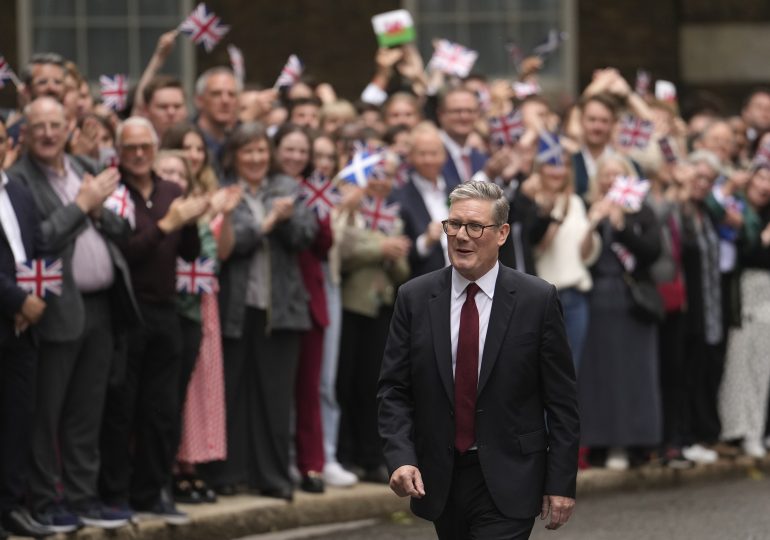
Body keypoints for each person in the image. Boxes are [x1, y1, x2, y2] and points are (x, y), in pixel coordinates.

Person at [378, 180, 578, 539]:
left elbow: (561, 401)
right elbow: (394, 388)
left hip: (511, 475)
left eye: (474, 227)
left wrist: (561, 481)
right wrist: (401, 457)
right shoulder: (415, 297)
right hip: (442, 477)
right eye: (453, 225)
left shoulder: (537, 299)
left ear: (501, 234)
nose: (461, 236)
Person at [9, 97, 139, 532]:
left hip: (102, 306)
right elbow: (37, 239)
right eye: (38, 126)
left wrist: (98, 209)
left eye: (55, 124)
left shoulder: (86, 167)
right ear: (24, 132)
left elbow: (123, 230)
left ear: (69, 128)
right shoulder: (18, 181)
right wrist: (80, 207)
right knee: (48, 412)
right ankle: (47, 499)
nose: (47, 133)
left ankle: (84, 496)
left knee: (88, 410)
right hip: (56, 308)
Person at [99, 117, 206, 525]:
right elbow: (123, 253)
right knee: (121, 408)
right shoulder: (113, 192)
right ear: (120, 151)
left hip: (166, 312)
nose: (140, 154)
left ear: (156, 147)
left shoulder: (171, 190)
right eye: (131, 148)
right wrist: (167, 225)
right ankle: (114, 493)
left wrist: (192, 219)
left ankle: (152, 491)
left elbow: (191, 253)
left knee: (162, 411)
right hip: (127, 313)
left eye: (146, 146)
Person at [201, 122, 316, 501]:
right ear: (233, 156)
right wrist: (269, 222)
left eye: (261, 151)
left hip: (280, 309)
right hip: (233, 306)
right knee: (231, 391)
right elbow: (229, 247)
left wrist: (284, 222)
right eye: (247, 151)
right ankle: (226, 474)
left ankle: (273, 476)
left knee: (275, 396)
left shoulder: (287, 187)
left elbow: (305, 235)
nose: (255, 158)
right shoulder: (220, 190)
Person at [578, 155, 663, 470]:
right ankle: (601, 441)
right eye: (605, 175)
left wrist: (621, 225)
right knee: (601, 374)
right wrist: (593, 221)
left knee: (634, 374)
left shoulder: (642, 212)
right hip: (599, 298)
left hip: (633, 299)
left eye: (618, 174)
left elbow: (652, 251)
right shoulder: (587, 209)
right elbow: (582, 254)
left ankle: (630, 441)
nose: (611, 180)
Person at [0, 117, 53, 539]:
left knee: (18, 419)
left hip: (24, 329)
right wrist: (18, 300)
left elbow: (41, 249)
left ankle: (11, 505)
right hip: (9, 312)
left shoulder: (18, 191)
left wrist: (37, 299)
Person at [393, 122, 452, 278]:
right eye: (422, 154)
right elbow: (399, 254)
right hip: (426, 282)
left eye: (434, 153)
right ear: (410, 156)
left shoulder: (456, 189)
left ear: (444, 155)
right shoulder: (399, 197)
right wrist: (425, 241)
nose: (428, 160)